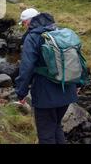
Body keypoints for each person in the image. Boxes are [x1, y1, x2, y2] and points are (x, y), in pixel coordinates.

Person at [15, 8, 78, 144]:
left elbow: (26, 68)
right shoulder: (59, 31)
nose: (24, 26)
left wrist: (21, 93)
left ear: (28, 21)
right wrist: (78, 84)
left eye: (24, 23)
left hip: (46, 95)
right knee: (56, 127)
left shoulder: (32, 37)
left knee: (46, 135)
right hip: (67, 90)